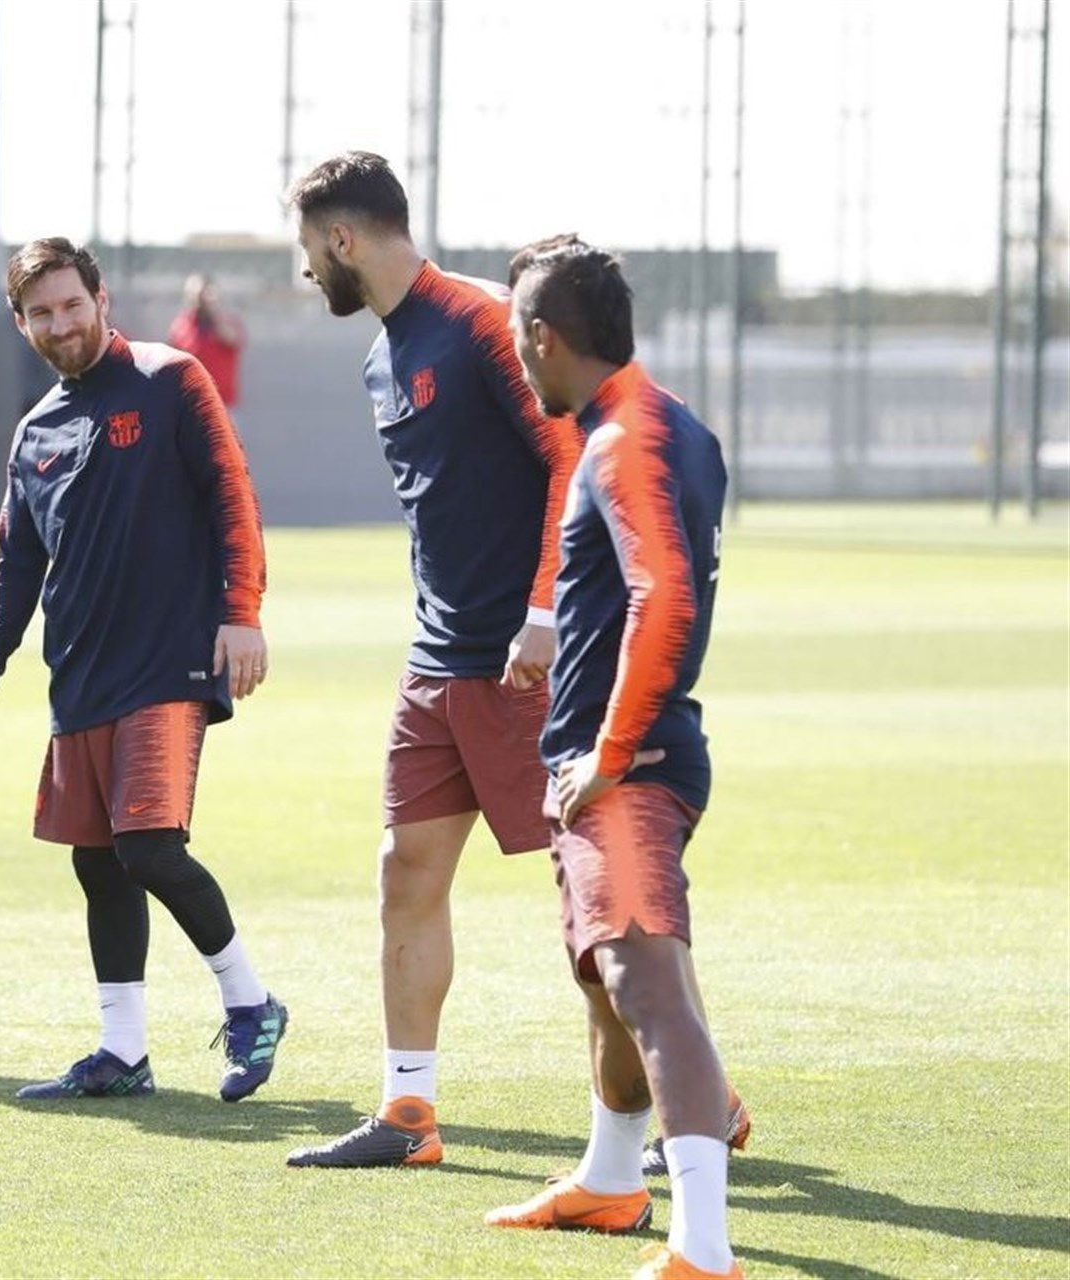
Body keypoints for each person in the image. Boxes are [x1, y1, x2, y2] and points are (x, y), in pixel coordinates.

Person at [279, 151, 585, 1168]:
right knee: (403, 870)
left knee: (596, 892)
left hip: (526, 664)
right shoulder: (382, 355)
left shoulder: (483, 321)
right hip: (435, 665)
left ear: (341, 238)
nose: (305, 269)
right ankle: (408, 1113)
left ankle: (696, 1102)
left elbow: (571, 459)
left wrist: (545, 612)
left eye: (306, 247)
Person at [0, 236, 287, 1103]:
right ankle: (123, 1052)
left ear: (101, 301)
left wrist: (241, 613)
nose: (61, 324)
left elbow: (233, 495)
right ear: (21, 323)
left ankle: (251, 1002)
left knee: (148, 847)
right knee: (98, 864)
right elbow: (17, 565)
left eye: (72, 304)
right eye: (41, 313)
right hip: (80, 673)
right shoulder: (34, 431)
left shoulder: (171, 380)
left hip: (168, 662)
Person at [482, 236, 740, 1280]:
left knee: (647, 986)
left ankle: (704, 1246)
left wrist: (610, 749)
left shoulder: (622, 441)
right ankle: (610, 1176)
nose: (515, 356)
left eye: (517, 335)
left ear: (545, 336)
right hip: (622, 753)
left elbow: (663, 598)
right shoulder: (674, 424)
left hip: (627, 765)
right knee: (605, 980)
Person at [164, 273, 246, 409]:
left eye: (201, 295)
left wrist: (214, 313)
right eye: (193, 295)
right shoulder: (181, 326)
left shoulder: (227, 322)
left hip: (222, 404)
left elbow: (232, 340)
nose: (198, 301)